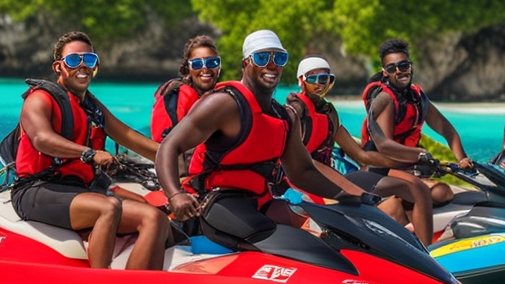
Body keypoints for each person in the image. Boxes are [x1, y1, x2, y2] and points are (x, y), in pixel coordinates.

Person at [155, 30, 368, 237]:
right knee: (296, 244)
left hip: (260, 201)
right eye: (262, 57)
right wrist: (175, 194)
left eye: (279, 58)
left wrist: (347, 196)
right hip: (215, 202)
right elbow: (169, 146)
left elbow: (302, 172)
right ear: (246, 63)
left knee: (321, 236)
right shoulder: (223, 104)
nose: (271, 65)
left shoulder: (285, 117)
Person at [11, 30, 169, 270]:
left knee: (154, 217)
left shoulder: (91, 108)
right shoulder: (40, 99)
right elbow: (42, 139)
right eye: (74, 60)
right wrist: (89, 153)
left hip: (79, 191)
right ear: (58, 67)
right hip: (36, 190)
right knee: (108, 206)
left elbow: (132, 139)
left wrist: (182, 161)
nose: (82, 66)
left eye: (90, 60)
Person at [286, 55, 435, 245]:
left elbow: (361, 155)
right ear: (301, 81)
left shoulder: (330, 113)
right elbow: (303, 161)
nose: (318, 84)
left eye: (323, 79)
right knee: (359, 203)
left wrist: (412, 160)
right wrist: (353, 191)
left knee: (412, 187)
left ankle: (428, 252)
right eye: (311, 78)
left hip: (332, 178)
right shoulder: (295, 112)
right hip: (305, 181)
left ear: (330, 81)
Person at [361, 38, 473, 206]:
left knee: (446, 192)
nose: (400, 71)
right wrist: (420, 155)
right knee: (441, 192)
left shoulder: (417, 96)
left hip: (407, 166)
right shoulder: (385, 100)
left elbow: (445, 128)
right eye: (392, 68)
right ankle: (394, 208)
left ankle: (407, 209)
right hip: (381, 171)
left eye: (404, 65)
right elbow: (385, 148)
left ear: (411, 66)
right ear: (385, 72)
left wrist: (462, 159)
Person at [149, 34, 222, 181]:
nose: (205, 68)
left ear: (219, 66)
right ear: (188, 67)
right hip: (184, 175)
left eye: (212, 62)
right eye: (197, 64)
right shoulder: (178, 97)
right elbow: (166, 143)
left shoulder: (222, 95)